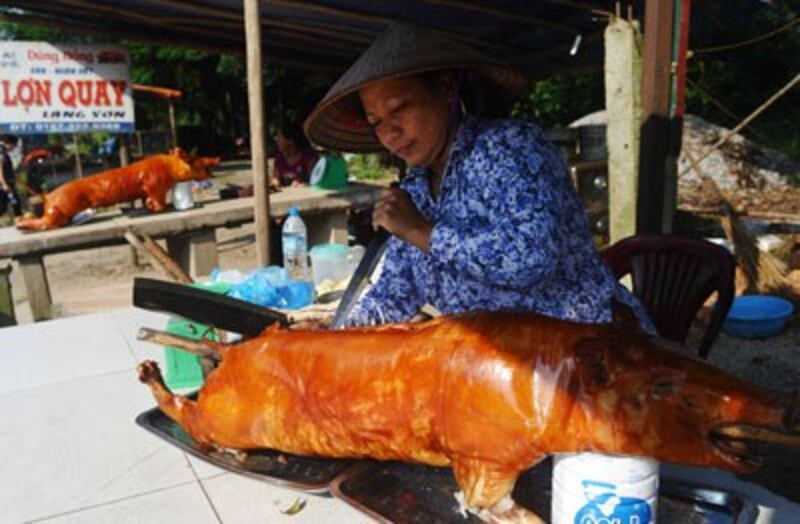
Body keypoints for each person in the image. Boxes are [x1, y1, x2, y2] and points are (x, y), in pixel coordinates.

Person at [304, 24, 653, 331]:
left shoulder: (511, 148)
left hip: (589, 351)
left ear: (445, 89)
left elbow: (531, 257)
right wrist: (341, 328)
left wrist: (420, 232)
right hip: (498, 363)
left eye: (399, 109)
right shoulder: (413, 189)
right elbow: (396, 291)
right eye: (376, 121)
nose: (390, 132)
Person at [272, 121, 319, 188]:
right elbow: (275, 180)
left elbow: (317, 179)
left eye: (279, 137)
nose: (276, 140)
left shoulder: (308, 156)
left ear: (290, 141)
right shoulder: (280, 157)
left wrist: (304, 183)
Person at [0, 135, 22, 218]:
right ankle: (20, 220)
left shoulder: (5, 153)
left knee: (6, 206)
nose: (14, 148)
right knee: (14, 202)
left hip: (7, 183)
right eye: (14, 145)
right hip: (4, 185)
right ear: (9, 143)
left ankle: (20, 220)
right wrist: (4, 184)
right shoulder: (1, 153)